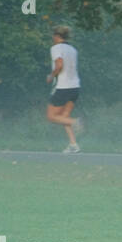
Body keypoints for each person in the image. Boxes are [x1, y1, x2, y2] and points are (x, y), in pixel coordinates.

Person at [45, 25, 82, 154]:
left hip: (63, 86)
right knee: (64, 116)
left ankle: (75, 122)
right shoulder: (72, 49)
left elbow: (59, 65)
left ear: (56, 36)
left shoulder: (56, 48)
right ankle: (73, 144)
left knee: (51, 116)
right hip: (75, 86)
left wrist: (51, 76)